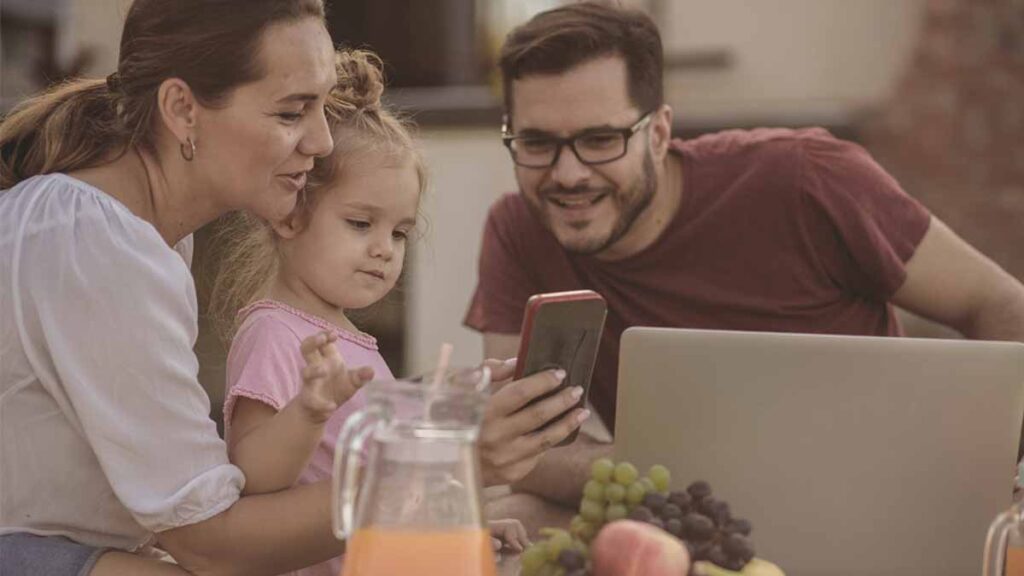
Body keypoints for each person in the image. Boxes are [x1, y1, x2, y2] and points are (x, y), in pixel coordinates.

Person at [0, 1, 584, 574]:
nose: (323, 142)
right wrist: (448, 461)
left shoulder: (137, 234)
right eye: (290, 113)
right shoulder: (94, 245)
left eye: (323, 107)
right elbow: (211, 545)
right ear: (182, 109)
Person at [465, 2, 1024, 531]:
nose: (567, 174)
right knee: (514, 513)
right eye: (537, 143)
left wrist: (990, 471)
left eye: (600, 139)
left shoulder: (808, 179)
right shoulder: (518, 229)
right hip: (685, 518)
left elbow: (997, 302)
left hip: (868, 509)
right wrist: (690, 476)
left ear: (658, 134)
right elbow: (520, 445)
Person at [208, 49, 530, 576]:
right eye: (361, 224)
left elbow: (386, 491)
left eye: (399, 232)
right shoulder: (274, 331)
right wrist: (307, 413)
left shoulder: (350, 339)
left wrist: (451, 531)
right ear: (289, 217)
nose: (385, 249)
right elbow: (254, 477)